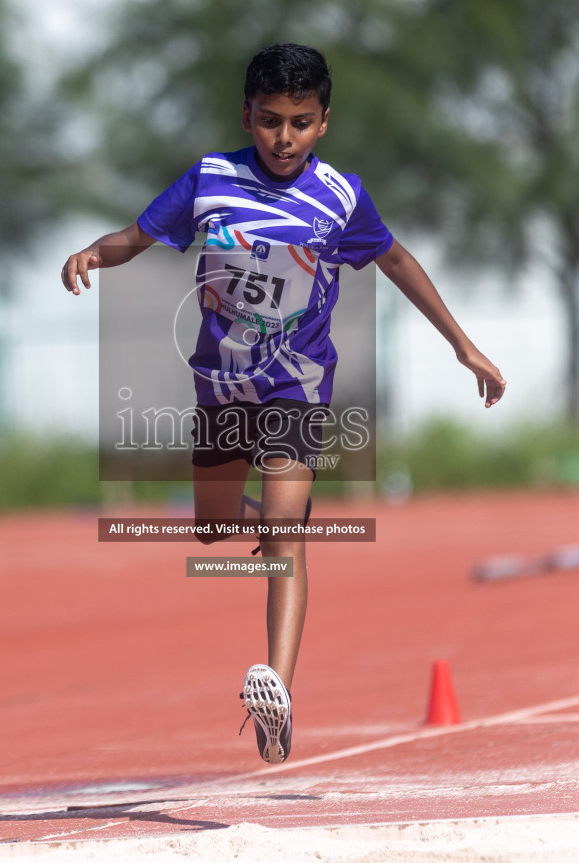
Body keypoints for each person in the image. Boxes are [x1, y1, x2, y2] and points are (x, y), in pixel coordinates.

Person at [61, 43, 506, 766]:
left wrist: (463, 345)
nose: (283, 138)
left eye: (300, 122)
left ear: (323, 122)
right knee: (210, 530)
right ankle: (263, 522)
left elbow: (395, 260)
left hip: (295, 383)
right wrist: (92, 253)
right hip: (220, 383)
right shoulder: (210, 180)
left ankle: (277, 688)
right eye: (269, 121)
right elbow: (135, 239)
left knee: (283, 532)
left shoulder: (338, 196)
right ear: (247, 115)